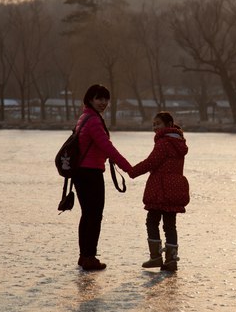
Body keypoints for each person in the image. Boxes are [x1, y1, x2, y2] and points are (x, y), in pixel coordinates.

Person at [72, 84, 132, 271]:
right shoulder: (93, 121)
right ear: (90, 99)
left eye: (106, 99)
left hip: (81, 172)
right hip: (90, 173)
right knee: (94, 216)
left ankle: (85, 255)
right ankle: (89, 257)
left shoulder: (85, 117)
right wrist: (129, 168)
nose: (103, 102)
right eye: (99, 98)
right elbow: (107, 147)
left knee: (88, 215)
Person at [128, 111, 189, 271]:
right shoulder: (179, 142)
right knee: (170, 225)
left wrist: (132, 171)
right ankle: (171, 260)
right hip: (175, 188)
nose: (155, 127)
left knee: (152, 221)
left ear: (168, 125)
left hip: (162, 188)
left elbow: (151, 162)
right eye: (153, 124)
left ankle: (155, 257)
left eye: (158, 124)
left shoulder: (164, 142)